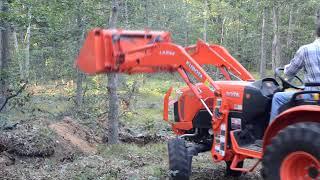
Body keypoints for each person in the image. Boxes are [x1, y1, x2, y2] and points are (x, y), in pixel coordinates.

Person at [269, 22, 320, 122]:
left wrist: (286, 67)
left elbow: (289, 72)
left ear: (317, 33)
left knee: (277, 97)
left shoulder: (306, 50)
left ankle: (272, 133)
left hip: (313, 95)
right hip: (314, 93)